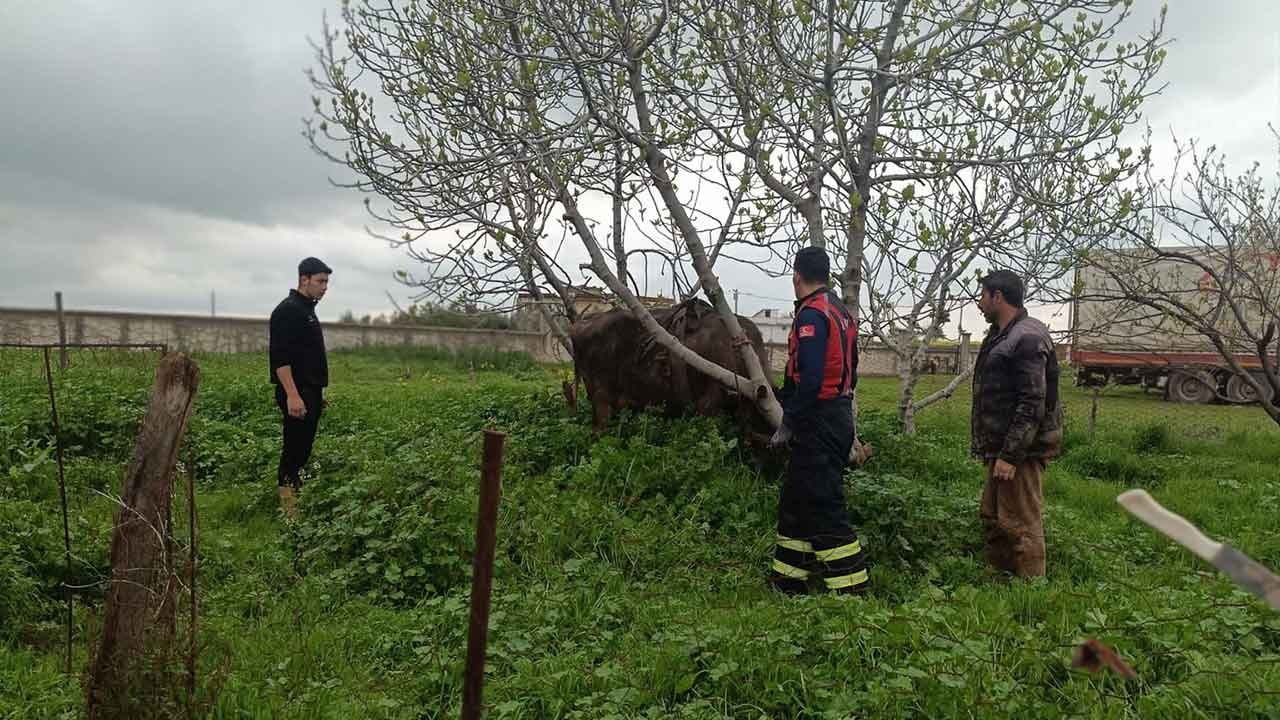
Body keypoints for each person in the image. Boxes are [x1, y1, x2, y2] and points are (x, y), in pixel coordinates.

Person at [766, 246, 869, 596]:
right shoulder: (841, 312)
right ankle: (787, 581)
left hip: (818, 419)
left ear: (796, 276)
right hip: (837, 413)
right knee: (796, 501)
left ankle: (851, 588)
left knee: (824, 504)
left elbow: (809, 380)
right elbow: (850, 372)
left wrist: (788, 423)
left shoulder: (812, 315)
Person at [971, 270, 1062, 578]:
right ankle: (1001, 580)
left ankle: (1031, 596)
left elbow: (1032, 402)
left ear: (998, 297)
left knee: (1021, 522)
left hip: (1020, 450)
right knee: (994, 515)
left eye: (983, 295)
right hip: (1003, 447)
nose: (979, 303)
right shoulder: (1002, 334)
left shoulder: (1027, 337)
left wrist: (1011, 455)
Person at [269, 257, 332, 519]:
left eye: (327, 282)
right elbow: (280, 360)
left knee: (303, 449)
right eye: (320, 281)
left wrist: (318, 393)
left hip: (309, 391)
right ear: (303, 279)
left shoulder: (307, 309)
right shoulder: (288, 310)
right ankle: (289, 512)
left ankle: (297, 502)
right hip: (297, 392)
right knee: (293, 450)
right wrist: (294, 396)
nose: (324, 287)